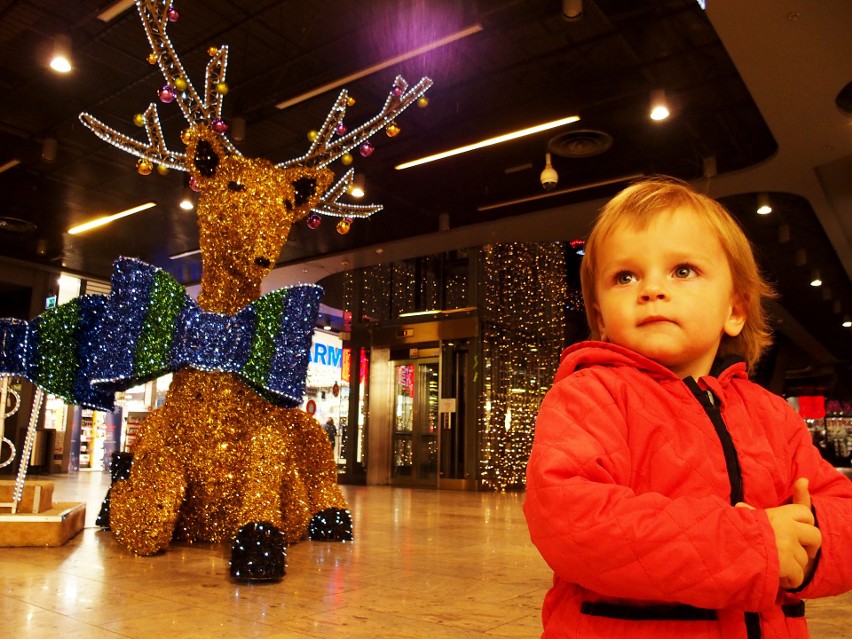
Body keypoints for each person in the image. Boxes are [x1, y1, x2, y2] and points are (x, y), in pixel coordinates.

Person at [523, 177, 852, 638]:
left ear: (735, 309)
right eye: (625, 276)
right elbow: (572, 521)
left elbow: (840, 507)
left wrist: (809, 543)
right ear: (600, 316)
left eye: (682, 271)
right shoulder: (590, 397)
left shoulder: (772, 415)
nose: (651, 289)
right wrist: (753, 546)